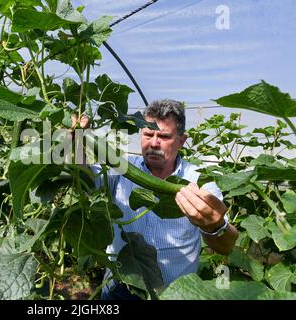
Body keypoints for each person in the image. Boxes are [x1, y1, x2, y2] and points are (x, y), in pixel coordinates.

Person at [75, 99, 239, 300]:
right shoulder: (121, 168)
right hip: (119, 288)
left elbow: (226, 246)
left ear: (182, 140)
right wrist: (76, 142)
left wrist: (215, 226)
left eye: (163, 136)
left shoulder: (199, 181)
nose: (153, 143)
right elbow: (84, 180)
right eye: (148, 134)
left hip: (173, 294)